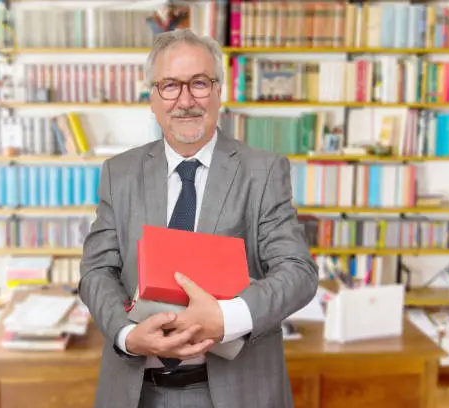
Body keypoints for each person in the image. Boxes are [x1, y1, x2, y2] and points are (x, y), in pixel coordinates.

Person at [78, 28, 319, 408]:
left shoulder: (264, 171)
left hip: (236, 392)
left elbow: (298, 272)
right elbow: (96, 271)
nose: (186, 100)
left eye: (200, 83)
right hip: (137, 392)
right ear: (153, 98)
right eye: (170, 85)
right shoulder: (119, 173)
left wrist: (226, 318)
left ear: (219, 91)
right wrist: (127, 335)